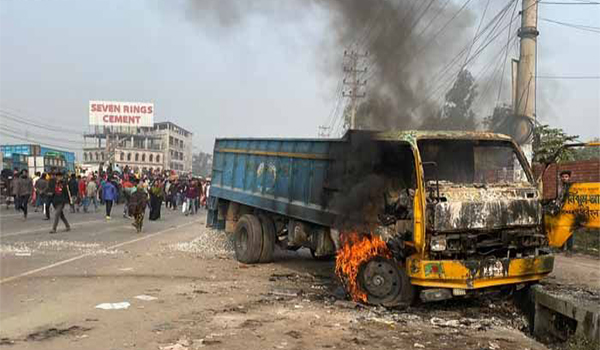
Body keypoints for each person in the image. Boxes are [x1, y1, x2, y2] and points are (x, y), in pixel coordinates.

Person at [559, 170, 575, 253]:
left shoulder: (571, 187)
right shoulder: (562, 187)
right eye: (563, 177)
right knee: (561, 229)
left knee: (569, 231)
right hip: (562, 212)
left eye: (566, 177)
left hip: (570, 212)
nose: (564, 178)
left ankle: (569, 249)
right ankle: (561, 248)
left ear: (569, 178)